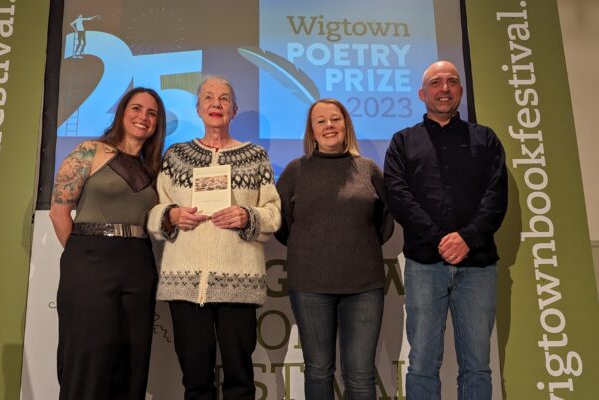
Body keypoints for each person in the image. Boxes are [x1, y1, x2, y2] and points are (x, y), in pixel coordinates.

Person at [147, 75, 281, 400]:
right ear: (198, 108)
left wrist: (248, 215)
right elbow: (154, 211)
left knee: (240, 380)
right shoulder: (176, 155)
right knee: (195, 381)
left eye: (224, 98)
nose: (216, 104)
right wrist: (171, 215)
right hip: (185, 282)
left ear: (234, 110)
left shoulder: (255, 156)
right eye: (208, 98)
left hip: (239, 280)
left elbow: (274, 212)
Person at [383, 60, 508, 399]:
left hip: (478, 265)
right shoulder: (402, 142)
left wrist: (467, 238)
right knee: (422, 362)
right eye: (436, 83)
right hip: (425, 264)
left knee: (477, 365)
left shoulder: (486, 139)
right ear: (423, 94)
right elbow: (399, 198)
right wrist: (441, 239)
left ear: (460, 91)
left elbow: (496, 196)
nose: (444, 89)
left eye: (451, 82)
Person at [49, 87, 167, 400]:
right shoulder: (89, 150)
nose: (143, 117)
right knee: (89, 358)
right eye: (136, 108)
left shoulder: (154, 169)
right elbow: (59, 212)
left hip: (139, 266)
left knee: (131, 362)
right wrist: (81, 256)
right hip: (89, 263)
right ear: (122, 112)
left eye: (151, 113)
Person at [275, 98, 394, 399]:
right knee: (318, 370)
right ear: (311, 131)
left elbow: (384, 223)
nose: (329, 126)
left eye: (335, 119)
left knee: (361, 375)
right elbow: (282, 225)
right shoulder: (295, 171)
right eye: (321, 121)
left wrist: (354, 245)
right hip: (310, 285)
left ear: (346, 125)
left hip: (364, 285)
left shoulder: (368, 170)